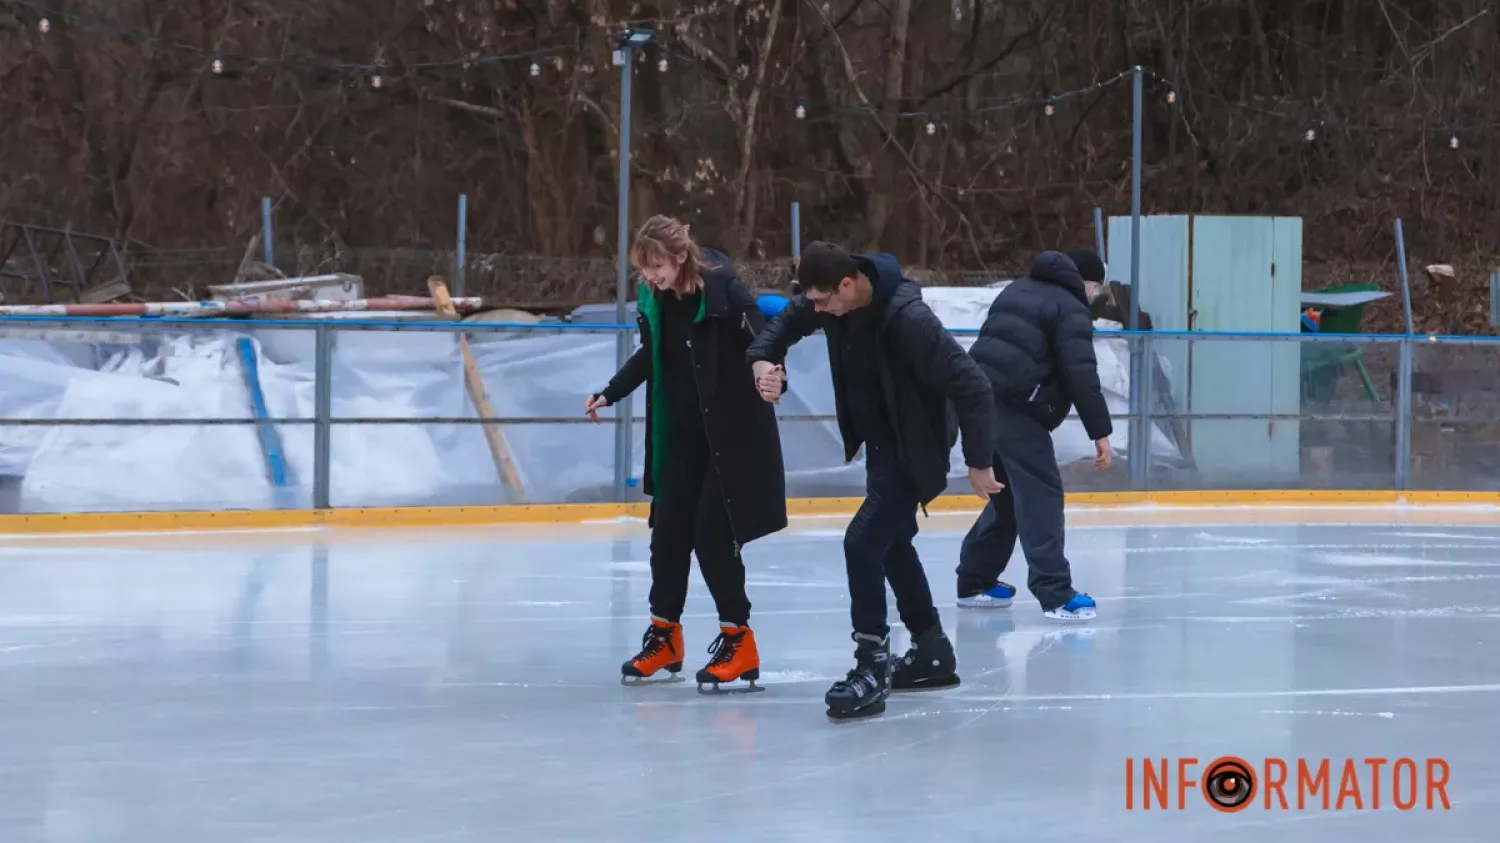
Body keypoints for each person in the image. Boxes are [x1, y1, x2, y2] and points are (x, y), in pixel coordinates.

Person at [747, 241, 1000, 722]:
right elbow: (776, 331)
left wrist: (979, 461)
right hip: (881, 444)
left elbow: (974, 384)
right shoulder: (832, 303)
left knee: (863, 542)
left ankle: (871, 664)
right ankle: (931, 652)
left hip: (915, 446)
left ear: (848, 284)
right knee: (891, 542)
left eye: (823, 302)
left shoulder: (909, 320)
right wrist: (765, 367)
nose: (817, 311)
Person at [587, 215, 788, 693]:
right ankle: (665, 637)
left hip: (730, 438)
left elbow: (764, 342)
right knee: (669, 533)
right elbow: (652, 355)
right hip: (679, 436)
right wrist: (610, 392)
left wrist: (771, 375)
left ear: (681, 259)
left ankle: (739, 641)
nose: (650, 276)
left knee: (711, 535)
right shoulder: (657, 302)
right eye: (643, 268)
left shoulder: (724, 295)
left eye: (656, 266)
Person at [955, 249, 1113, 622]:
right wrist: (1100, 431)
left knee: (1006, 498)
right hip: (1016, 411)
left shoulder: (1018, 289)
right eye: (1096, 287)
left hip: (979, 402)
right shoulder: (1070, 306)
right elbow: (1081, 374)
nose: (1094, 295)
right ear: (1086, 281)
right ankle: (1055, 593)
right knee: (1042, 496)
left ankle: (975, 581)